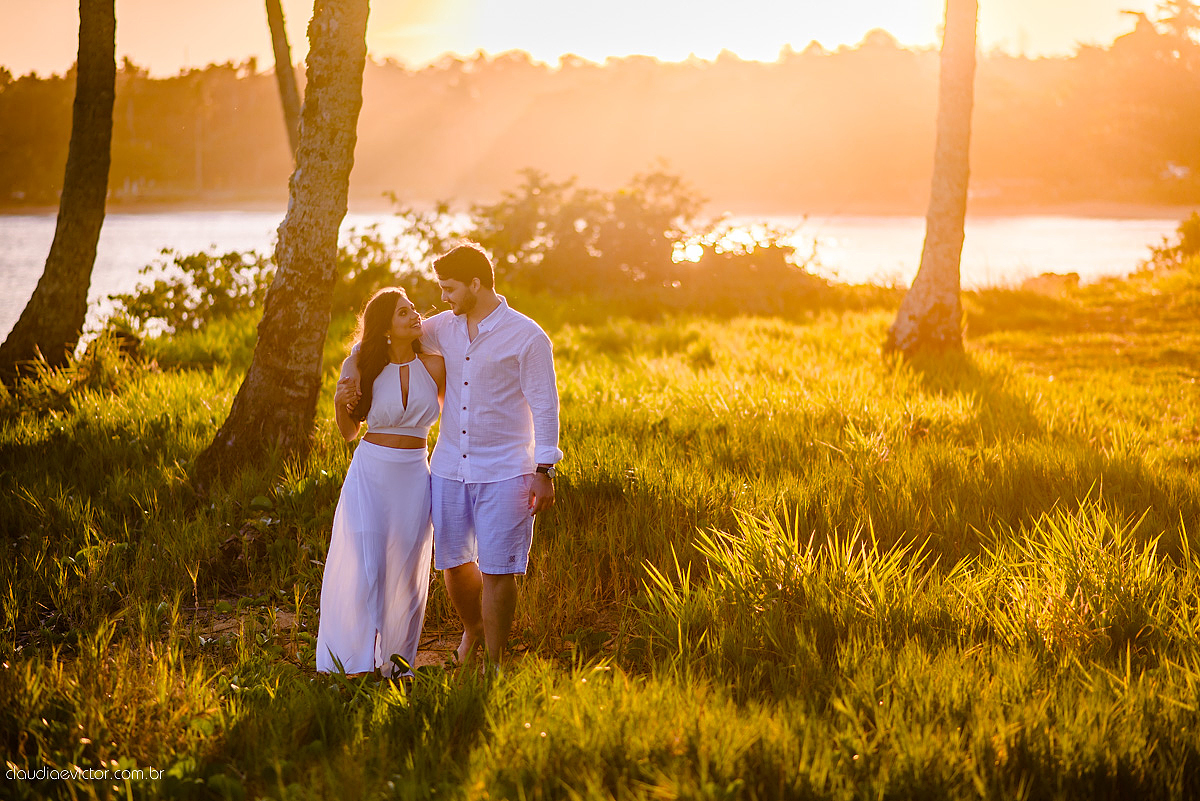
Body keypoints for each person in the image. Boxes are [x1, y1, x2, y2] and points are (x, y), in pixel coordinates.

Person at [346, 244, 563, 668]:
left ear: (475, 284)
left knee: (500, 569)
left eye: (449, 288)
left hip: (506, 470)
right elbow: (382, 337)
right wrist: (352, 369)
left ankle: (496, 664)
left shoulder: (528, 336)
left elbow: (545, 405)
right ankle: (474, 630)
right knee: (453, 561)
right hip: (447, 469)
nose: (442, 298)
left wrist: (544, 469)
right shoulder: (442, 327)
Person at [315, 287, 446, 679]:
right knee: (366, 560)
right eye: (403, 313)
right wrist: (340, 405)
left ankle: (394, 663)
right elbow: (349, 433)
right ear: (386, 327)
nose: (414, 316)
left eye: (412, 310)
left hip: (414, 474)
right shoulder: (359, 363)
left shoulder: (436, 366)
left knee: (405, 566)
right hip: (371, 472)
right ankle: (350, 658)